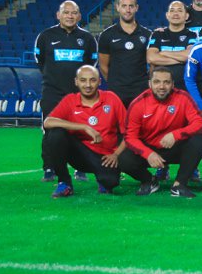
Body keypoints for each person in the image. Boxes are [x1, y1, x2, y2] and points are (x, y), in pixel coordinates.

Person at [41, 65, 142, 197]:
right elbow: (48, 122)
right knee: (55, 134)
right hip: (79, 155)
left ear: (99, 82)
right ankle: (64, 182)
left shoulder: (111, 98)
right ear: (76, 82)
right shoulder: (70, 100)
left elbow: (128, 132)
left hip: (105, 157)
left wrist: (116, 155)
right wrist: (84, 127)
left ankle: (103, 179)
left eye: (92, 80)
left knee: (110, 183)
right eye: (83, 80)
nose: (88, 85)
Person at [119, 66, 202, 198]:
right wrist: (148, 154)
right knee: (123, 159)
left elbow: (200, 124)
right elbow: (130, 137)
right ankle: (148, 181)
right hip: (150, 149)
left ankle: (179, 184)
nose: (162, 86)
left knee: (198, 140)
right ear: (150, 84)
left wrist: (175, 134)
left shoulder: (183, 98)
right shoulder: (138, 103)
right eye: (157, 82)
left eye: (166, 82)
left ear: (172, 84)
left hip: (175, 147)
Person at [35, 0, 98, 124]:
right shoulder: (45, 36)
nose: (70, 16)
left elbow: (92, 64)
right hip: (52, 94)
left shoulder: (88, 38)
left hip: (78, 95)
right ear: (58, 15)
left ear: (79, 16)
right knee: (52, 133)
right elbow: (40, 61)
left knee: (79, 133)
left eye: (74, 13)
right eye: (66, 12)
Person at [98, 0, 152, 107]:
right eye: (124, 6)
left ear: (136, 8)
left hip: (141, 89)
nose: (128, 10)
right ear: (117, 7)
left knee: (140, 124)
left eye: (131, 6)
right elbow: (103, 65)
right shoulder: (106, 35)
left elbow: (152, 63)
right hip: (116, 90)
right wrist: (114, 82)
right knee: (117, 124)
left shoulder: (147, 34)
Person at [146, 0, 196, 90]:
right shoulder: (157, 34)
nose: (175, 13)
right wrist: (180, 60)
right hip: (161, 88)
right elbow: (151, 58)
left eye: (180, 10)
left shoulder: (192, 35)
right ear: (167, 15)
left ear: (186, 16)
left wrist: (163, 52)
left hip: (184, 86)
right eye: (172, 10)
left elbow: (189, 55)